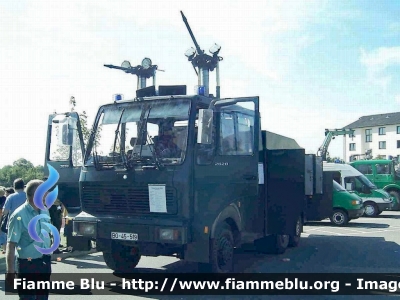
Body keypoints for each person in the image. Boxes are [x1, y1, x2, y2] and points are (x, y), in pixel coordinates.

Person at [6, 179, 53, 300]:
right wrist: (10, 271)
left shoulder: (44, 210)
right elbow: (11, 244)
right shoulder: (18, 215)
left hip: (45, 263)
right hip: (27, 265)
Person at [0, 187, 6, 254]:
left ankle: (4, 248)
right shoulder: (4, 198)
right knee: (3, 233)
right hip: (3, 216)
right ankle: (4, 248)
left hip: (1, 215)